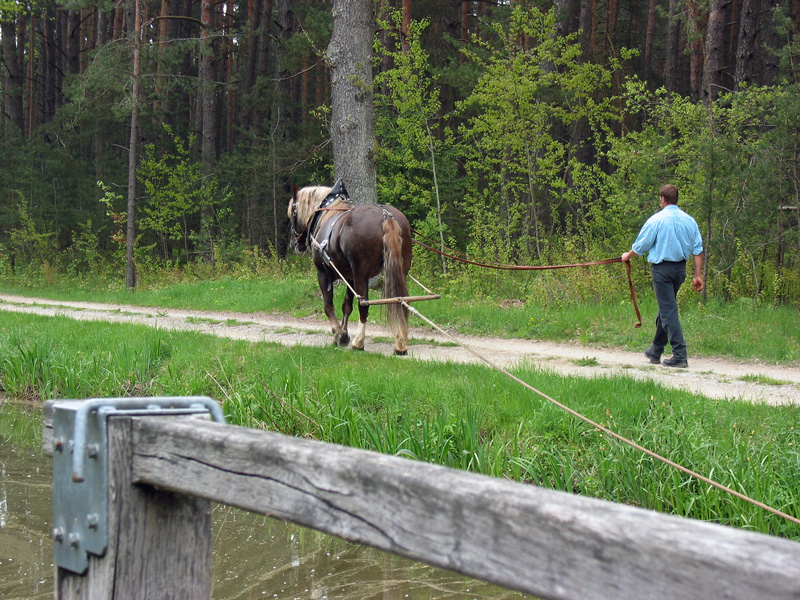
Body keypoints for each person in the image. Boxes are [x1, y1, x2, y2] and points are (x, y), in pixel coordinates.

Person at [621, 184, 704, 368]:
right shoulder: (689, 221)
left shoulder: (656, 220)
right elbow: (698, 249)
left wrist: (628, 256)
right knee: (666, 309)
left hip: (662, 271)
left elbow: (641, 246)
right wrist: (697, 275)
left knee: (668, 311)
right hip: (680, 270)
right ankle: (656, 350)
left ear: (663, 199)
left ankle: (680, 354)